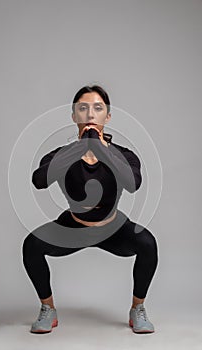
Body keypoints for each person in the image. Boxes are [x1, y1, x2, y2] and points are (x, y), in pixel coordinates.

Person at [22, 85, 158, 334]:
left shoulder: (124, 155)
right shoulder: (61, 155)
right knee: (32, 244)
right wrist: (82, 145)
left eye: (98, 108)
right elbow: (39, 180)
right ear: (74, 116)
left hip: (112, 227)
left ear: (107, 116)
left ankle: (137, 309)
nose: (90, 114)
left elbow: (132, 183)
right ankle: (48, 309)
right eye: (82, 108)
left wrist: (100, 148)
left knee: (148, 243)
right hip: (74, 226)